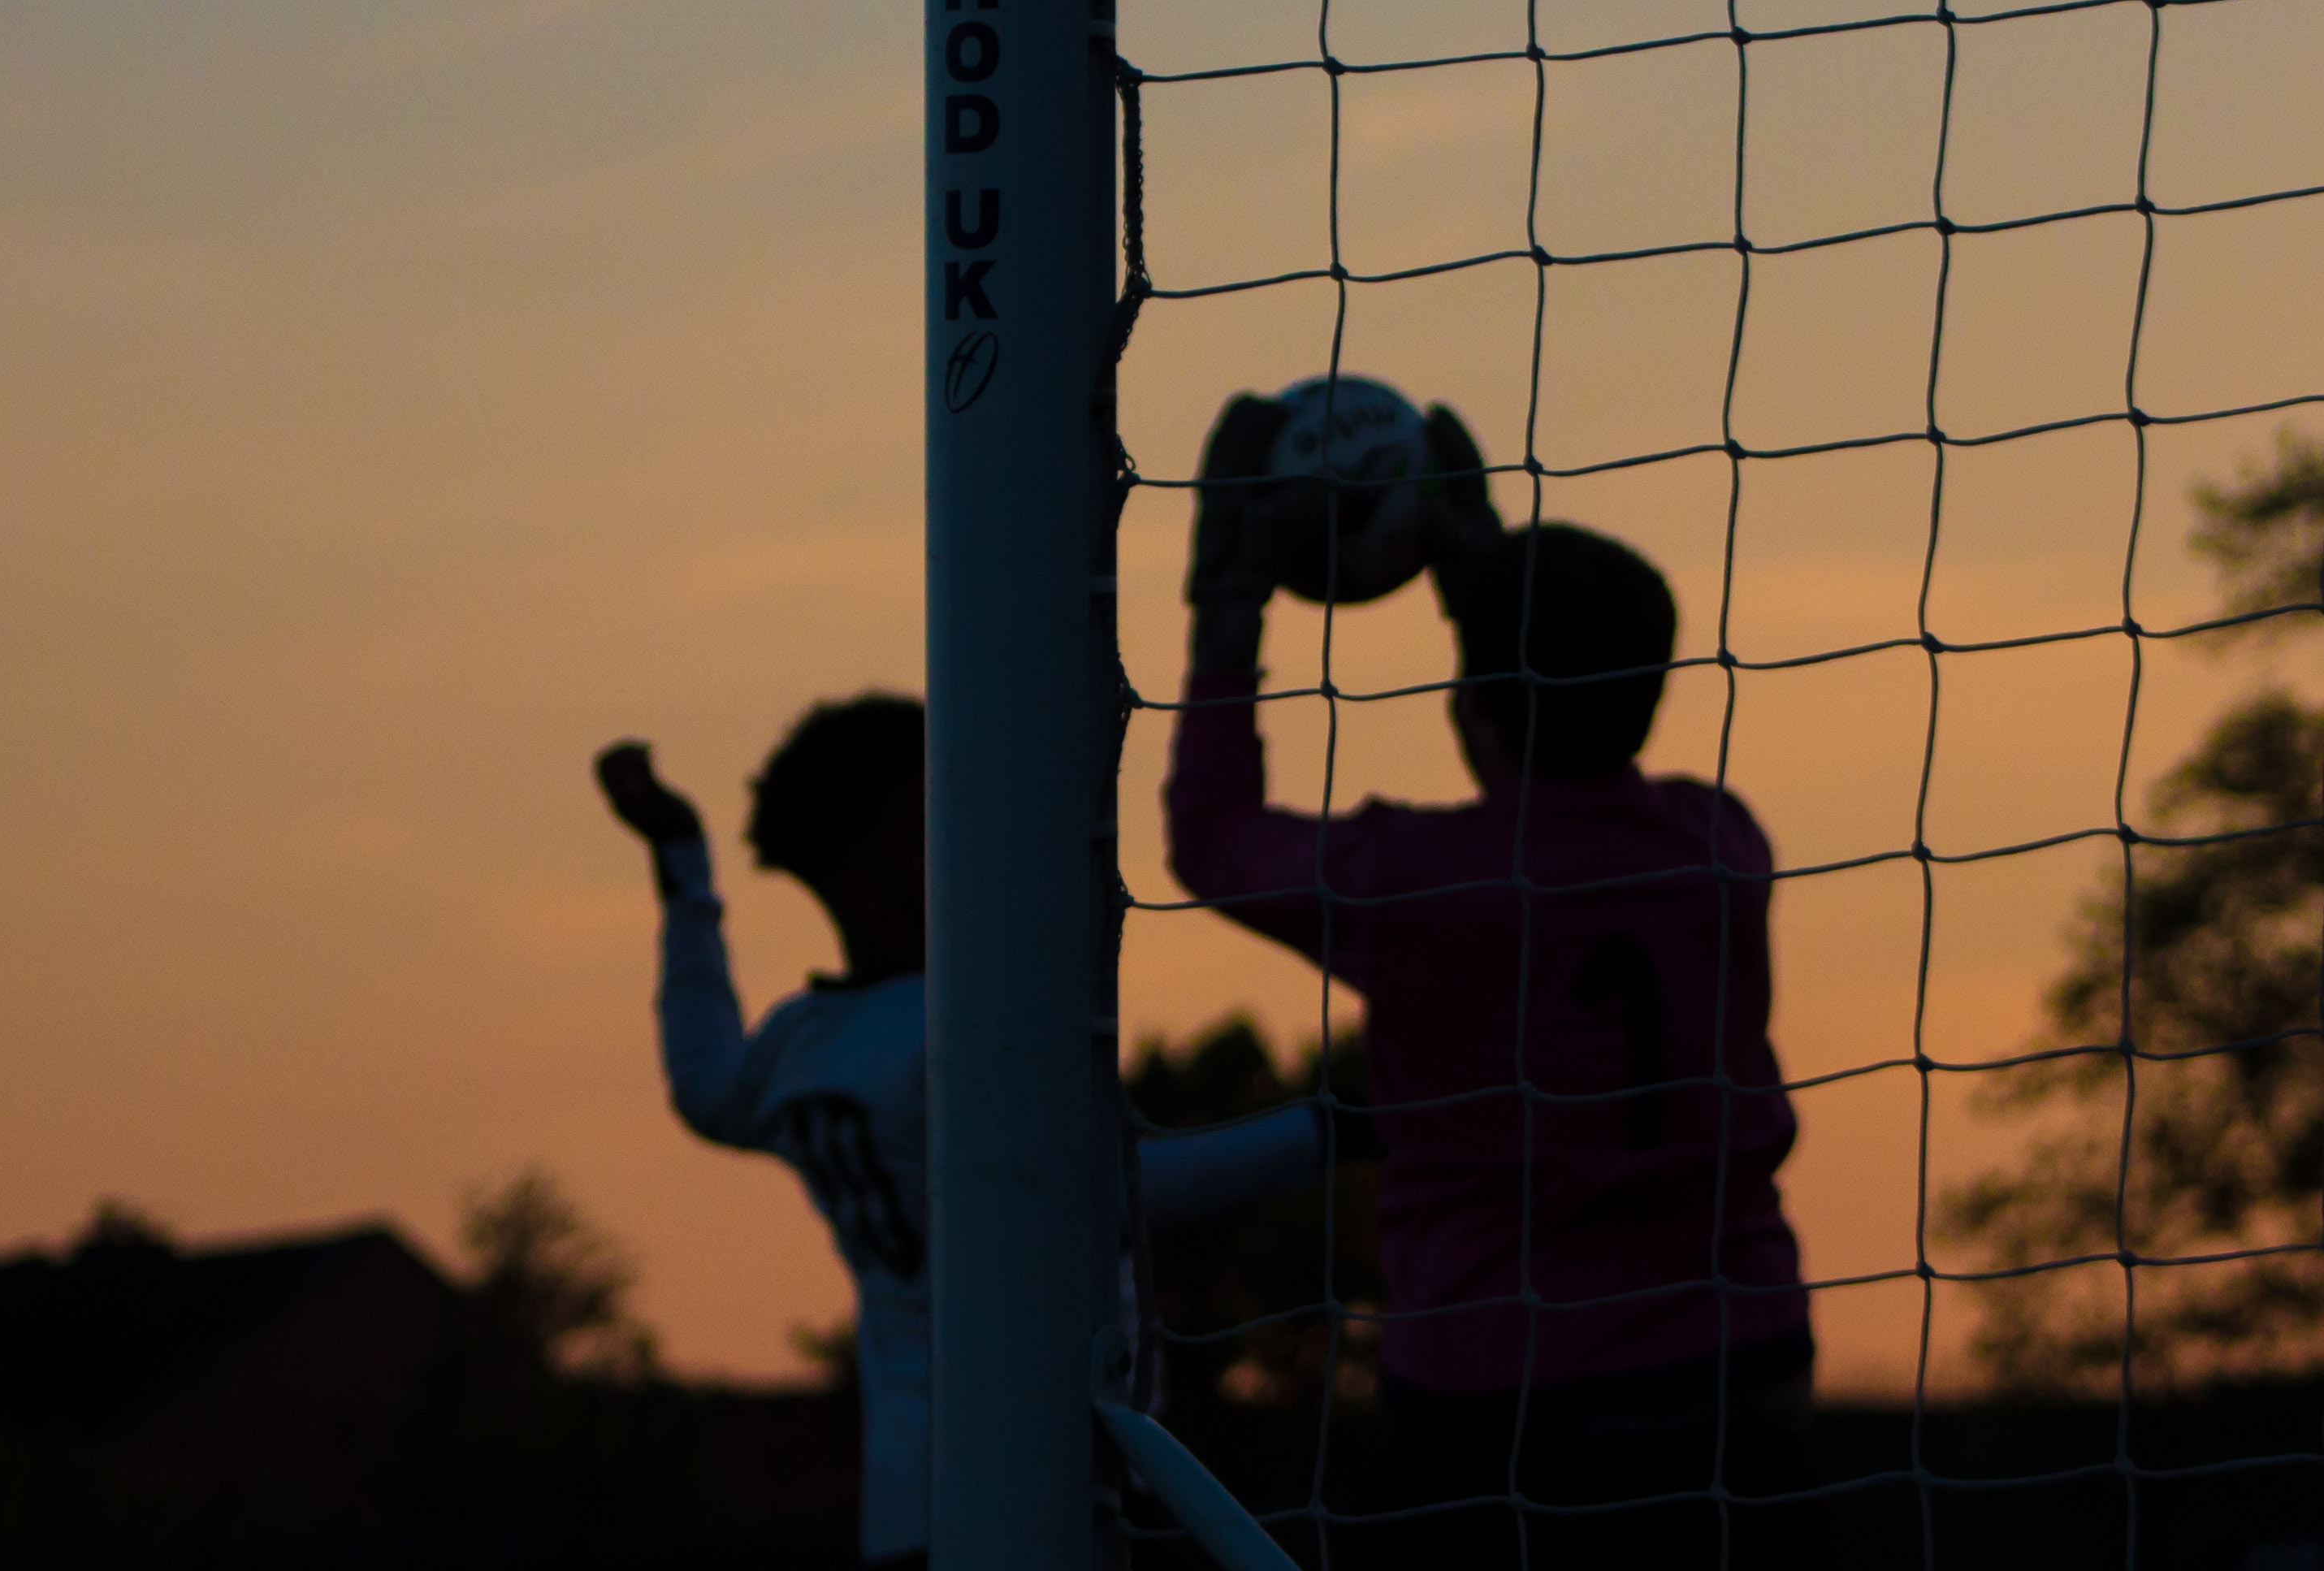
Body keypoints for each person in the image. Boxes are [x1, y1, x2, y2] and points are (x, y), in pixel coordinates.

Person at [1166, 396, 1815, 1568]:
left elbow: (1211, 839)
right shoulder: (1722, 847)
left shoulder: (1413, 881)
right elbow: (1536, 709)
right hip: (1739, 1380)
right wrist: (1483, 569)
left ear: (1470, 697)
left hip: (1506, 1408)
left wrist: (1227, 602)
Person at [597, 695, 1313, 1571]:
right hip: (1053, 1484)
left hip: (911, 1508)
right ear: (866, 880)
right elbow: (1112, 1190)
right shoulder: (950, 1035)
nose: (967, 846)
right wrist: (1336, 1127)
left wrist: (681, 860)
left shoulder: (798, 1046)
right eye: (929, 828)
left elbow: (701, 1075)